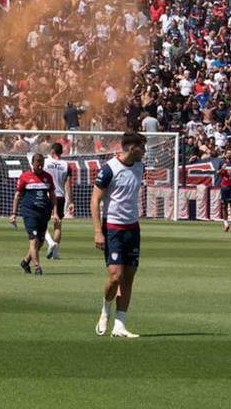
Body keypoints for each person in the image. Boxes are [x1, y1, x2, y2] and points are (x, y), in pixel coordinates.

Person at [91, 131, 147, 339]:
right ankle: (105, 309)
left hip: (133, 229)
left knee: (128, 278)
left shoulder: (141, 167)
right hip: (113, 228)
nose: (145, 151)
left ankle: (120, 325)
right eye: (142, 147)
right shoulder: (109, 169)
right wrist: (98, 231)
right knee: (115, 276)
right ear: (133, 148)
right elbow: (95, 199)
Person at [10, 153, 55, 275]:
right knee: (34, 239)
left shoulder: (48, 177)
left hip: (44, 213)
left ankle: (25, 261)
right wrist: (13, 213)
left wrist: (54, 211)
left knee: (40, 242)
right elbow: (17, 196)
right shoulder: (25, 177)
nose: (40, 165)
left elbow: (52, 195)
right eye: (38, 162)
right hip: (29, 212)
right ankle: (37, 267)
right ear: (32, 163)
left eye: (42, 163)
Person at [42, 142, 72, 259]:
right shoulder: (66, 165)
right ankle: (55, 253)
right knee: (58, 225)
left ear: (52, 151)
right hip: (60, 196)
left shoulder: (45, 162)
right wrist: (71, 201)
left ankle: (50, 242)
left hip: (46, 195)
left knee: (42, 223)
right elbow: (69, 185)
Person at [217, 149, 231, 232]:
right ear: (225, 154)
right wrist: (222, 169)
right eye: (228, 153)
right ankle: (225, 224)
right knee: (224, 206)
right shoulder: (222, 163)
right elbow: (218, 173)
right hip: (224, 186)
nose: (229, 154)